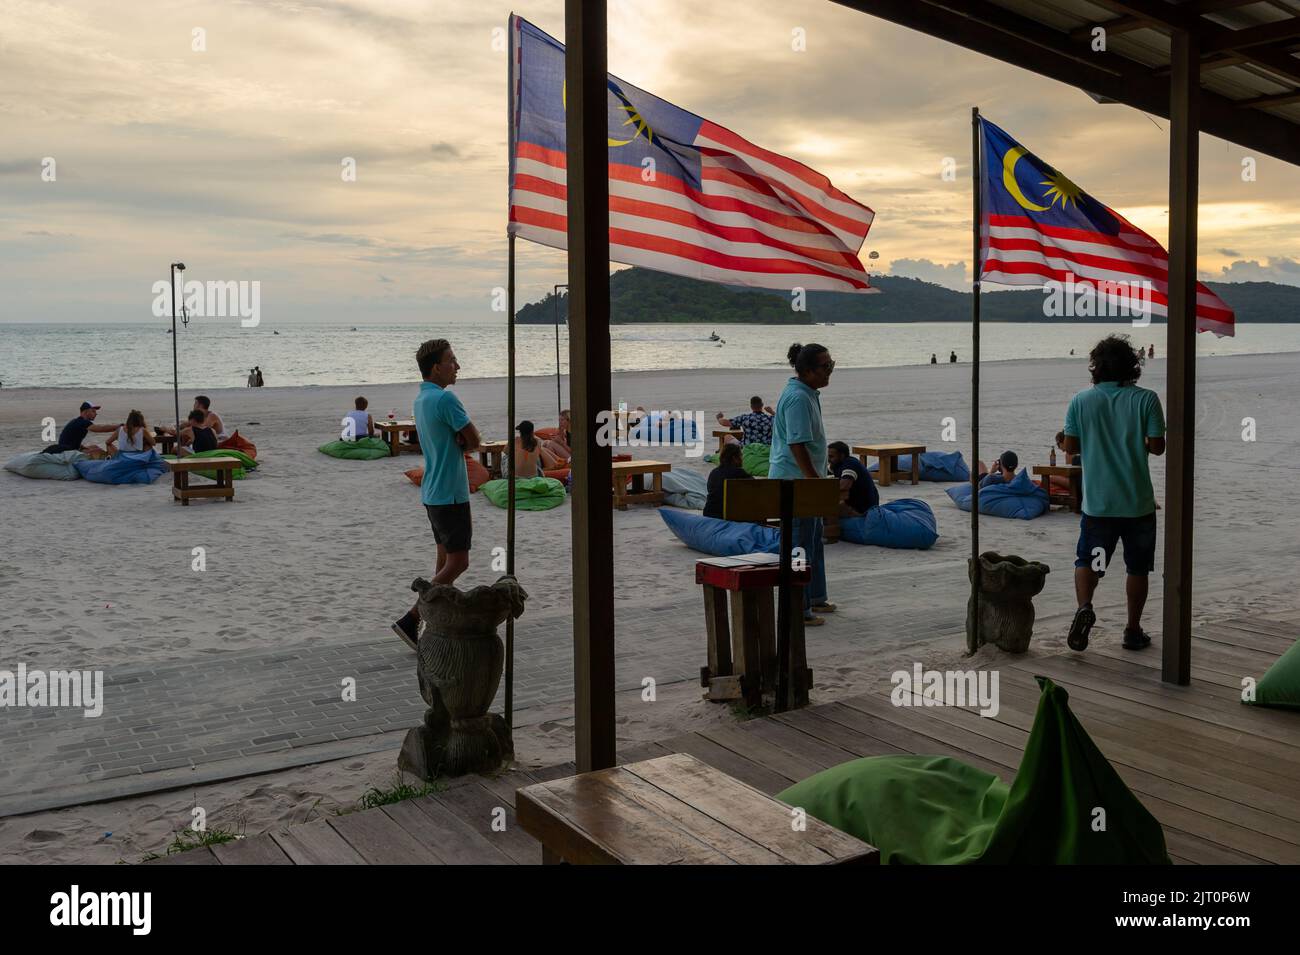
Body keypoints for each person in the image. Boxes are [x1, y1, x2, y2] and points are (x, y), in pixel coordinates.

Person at [1062, 335, 1165, 653]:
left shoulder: (1080, 401)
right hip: (1137, 503)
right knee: (1137, 567)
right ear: (1133, 366)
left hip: (1098, 504)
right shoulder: (1146, 399)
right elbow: (1158, 448)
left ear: (1096, 368)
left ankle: (1085, 606)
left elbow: (1071, 449)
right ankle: (1133, 630)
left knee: (1089, 560)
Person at [392, 339, 481, 651]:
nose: (457, 366)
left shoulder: (421, 399)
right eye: (452, 360)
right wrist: (462, 442)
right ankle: (412, 617)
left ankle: (432, 621)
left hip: (432, 492)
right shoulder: (445, 399)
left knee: (444, 562)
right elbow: (474, 440)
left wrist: (457, 440)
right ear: (436, 367)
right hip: (451, 493)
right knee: (458, 563)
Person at [769, 342, 835, 625]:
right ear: (807, 371)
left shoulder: (808, 392)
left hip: (807, 480)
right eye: (825, 367)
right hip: (795, 482)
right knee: (799, 545)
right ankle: (799, 608)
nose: (830, 371)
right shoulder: (797, 398)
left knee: (813, 540)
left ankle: (816, 597)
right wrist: (814, 481)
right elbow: (796, 444)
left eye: (832, 365)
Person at [44, 401, 119, 456]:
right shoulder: (82, 422)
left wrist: (81, 447)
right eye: (93, 411)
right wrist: (118, 426)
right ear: (86, 412)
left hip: (69, 448)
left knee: (94, 447)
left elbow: (72, 438)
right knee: (98, 451)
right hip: (67, 451)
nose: (96, 414)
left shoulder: (77, 421)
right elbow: (101, 429)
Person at [827, 441, 878, 516]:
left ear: (842, 456)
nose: (828, 459)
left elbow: (844, 485)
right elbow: (822, 472)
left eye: (831, 456)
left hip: (864, 509)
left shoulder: (850, 464)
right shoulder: (837, 465)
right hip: (857, 505)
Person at [704, 442, 752, 519]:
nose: (742, 459)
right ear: (734, 458)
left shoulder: (714, 472)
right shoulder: (740, 473)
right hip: (729, 517)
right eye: (740, 456)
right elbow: (757, 489)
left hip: (710, 513)